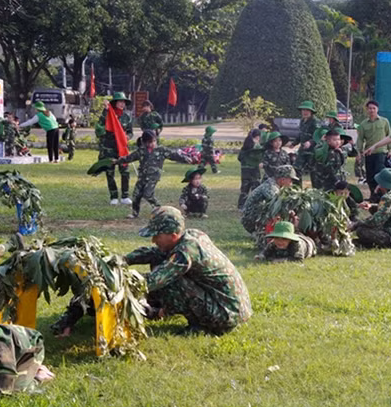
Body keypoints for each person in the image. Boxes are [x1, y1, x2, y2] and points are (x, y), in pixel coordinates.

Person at [125, 207, 252, 335]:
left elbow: (155, 280)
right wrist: (124, 260)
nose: (153, 240)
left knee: (173, 281)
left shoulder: (186, 251)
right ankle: (158, 308)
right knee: (159, 260)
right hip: (231, 308)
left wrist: (123, 279)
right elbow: (153, 253)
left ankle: (202, 326)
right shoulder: (191, 236)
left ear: (173, 235)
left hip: (226, 315)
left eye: (157, 236)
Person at [114, 130, 192, 219]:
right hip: (142, 176)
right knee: (136, 194)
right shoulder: (141, 151)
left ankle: (160, 209)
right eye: (149, 142)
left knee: (147, 194)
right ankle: (135, 213)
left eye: (154, 141)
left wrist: (185, 158)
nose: (152, 144)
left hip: (153, 177)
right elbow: (129, 158)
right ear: (144, 142)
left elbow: (174, 155)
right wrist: (117, 161)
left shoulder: (161, 150)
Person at [349, 168, 391, 248]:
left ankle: (370, 244)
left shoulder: (388, 197)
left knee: (361, 230)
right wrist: (372, 206)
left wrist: (356, 224)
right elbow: (388, 208)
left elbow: (376, 221)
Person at [97, 92, 134, 205]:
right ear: (115, 103)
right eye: (120, 101)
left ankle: (125, 196)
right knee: (110, 172)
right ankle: (113, 196)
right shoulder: (108, 114)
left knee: (125, 172)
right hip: (109, 148)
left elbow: (130, 132)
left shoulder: (127, 117)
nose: (122, 104)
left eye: (124, 102)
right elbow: (100, 127)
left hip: (121, 148)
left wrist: (127, 137)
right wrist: (106, 110)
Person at [241, 165, 298, 236]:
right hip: (251, 221)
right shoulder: (270, 187)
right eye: (291, 180)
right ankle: (261, 232)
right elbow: (278, 205)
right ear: (282, 179)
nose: (291, 183)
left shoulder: (275, 185)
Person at [356, 100, 391, 201]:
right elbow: (360, 139)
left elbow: (389, 136)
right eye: (369, 108)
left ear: (377, 109)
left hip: (381, 152)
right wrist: (359, 152)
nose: (371, 110)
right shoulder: (363, 124)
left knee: (379, 174)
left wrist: (390, 150)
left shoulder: (384, 121)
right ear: (367, 110)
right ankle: (373, 196)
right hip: (369, 153)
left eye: (373, 108)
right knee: (370, 176)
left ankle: (382, 196)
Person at [290, 100, 319, 181]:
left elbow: (319, 136)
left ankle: (316, 187)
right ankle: (296, 186)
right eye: (303, 110)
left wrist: (310, 142)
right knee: (296, 168)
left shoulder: (315, 122)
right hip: (303, 149)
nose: (305, 112)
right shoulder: (302, 121)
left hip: (313, 151)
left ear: (311, 112)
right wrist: (294, 143)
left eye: (307, 110)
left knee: (314, 171)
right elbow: (301, 134)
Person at [238, 129, 264, 209]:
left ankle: (241, 206)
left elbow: (239, 158)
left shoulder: (245, 146)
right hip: (254, 171)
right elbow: (260, 157)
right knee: (255, 189)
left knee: (244, 189)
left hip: (245, 171)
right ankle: (254, 205)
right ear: (257, 137)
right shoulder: (257, 146)